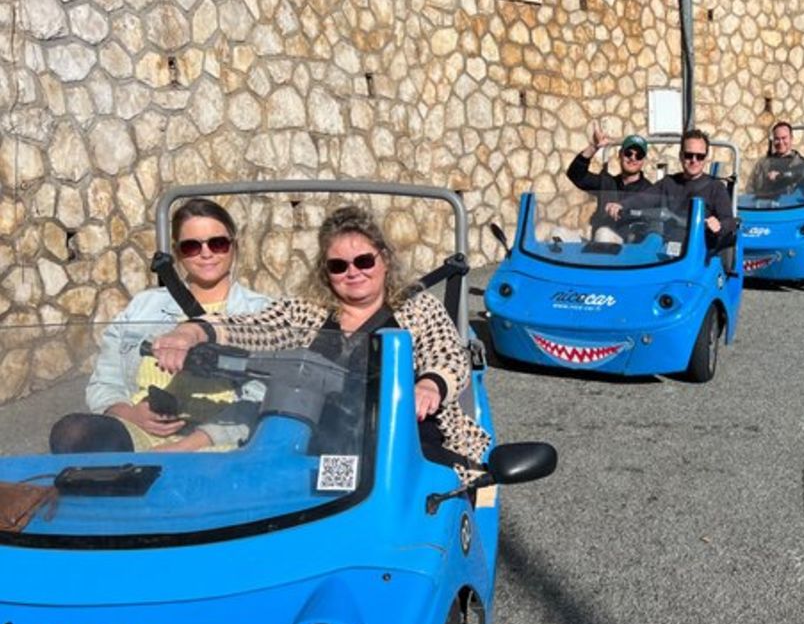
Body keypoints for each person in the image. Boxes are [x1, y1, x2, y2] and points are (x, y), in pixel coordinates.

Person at [151, 205, 489, 474]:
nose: (353, 272)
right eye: (338, 266)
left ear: (383, 260)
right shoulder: (307, 313)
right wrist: (193, 331)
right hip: (318, 443)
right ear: (326, 272)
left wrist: (430, 385)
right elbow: (257, 327)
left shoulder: (417, 308)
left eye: (364, 261)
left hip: (404, 441)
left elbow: (446, 355)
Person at [48, 198, 271, 454]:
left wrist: (186, 445)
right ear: (177, 252)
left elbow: (263, 396)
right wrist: (130, 413)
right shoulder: (142, 307)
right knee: (73, 433)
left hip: (218, 437)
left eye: (217, 243)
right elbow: (105, 382)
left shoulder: (262, 314)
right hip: (140, 431)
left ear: (234, 246)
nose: (206, 253)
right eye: (191, 246)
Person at [604, 128, 734, 248]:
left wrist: (718, 225)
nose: (694, 160)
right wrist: (622, 205)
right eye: (689, 155)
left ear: (705, 159)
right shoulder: (668, 182)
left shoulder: (715, 187)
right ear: (681, 156)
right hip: (661, 248)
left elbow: (729, 221)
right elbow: (645, 198)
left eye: (700, 156)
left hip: (695, 253)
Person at [565, 122, 653, 241]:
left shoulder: (650, 190)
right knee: (558, 234)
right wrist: (594, 147)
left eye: (639, 155)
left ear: (643, 161)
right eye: (628, 153)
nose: (633, 158)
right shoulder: (607, 183)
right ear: (620, 155)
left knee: (603, 234)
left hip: (628, 252)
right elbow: (575, 175)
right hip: (597, 246)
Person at [748, 121, 804, 195]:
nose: (780, 142)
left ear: (791, 138)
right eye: (777, 139)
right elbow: (750, 190)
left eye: (784, 138)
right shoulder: (762, 165)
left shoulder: (802, 165)